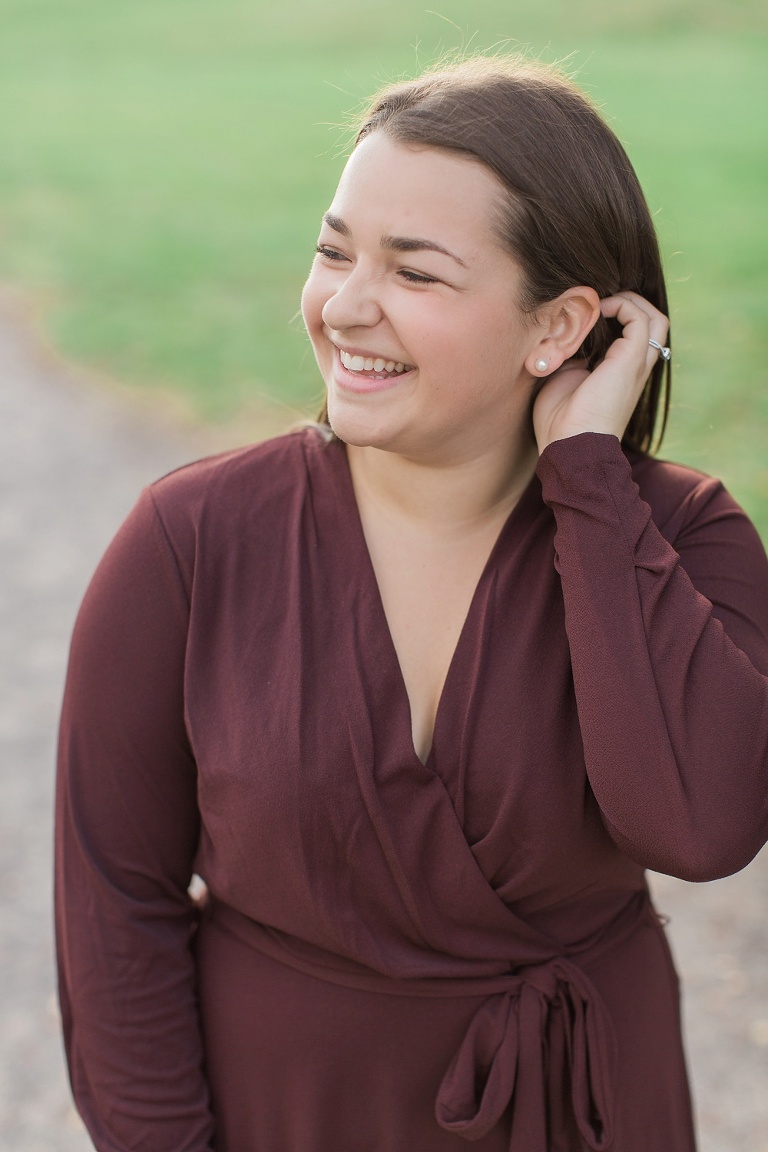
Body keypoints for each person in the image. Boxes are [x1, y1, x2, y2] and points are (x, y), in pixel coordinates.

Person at [55, 54, 768, 1152]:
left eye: (415, 273)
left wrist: (587, 478)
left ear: (558, 326)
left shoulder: (682, 537)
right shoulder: (191, 543)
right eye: (334, 251)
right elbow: (115, 914)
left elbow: (700, 823)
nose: (345, 305)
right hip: (287, 1115)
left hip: (587, 1113)